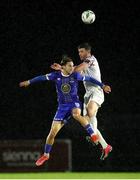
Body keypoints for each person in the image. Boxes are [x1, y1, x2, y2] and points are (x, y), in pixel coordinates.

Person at [19, 56, 111, 166]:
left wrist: (103, 85)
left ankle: (93, 135)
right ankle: (46, 155)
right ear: (63, 67)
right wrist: (29, 81)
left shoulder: (75, 75)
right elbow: (42, 77)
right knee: (52, 133)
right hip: (62, 107)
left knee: (76, 114)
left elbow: (90, 79)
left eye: (73, 66)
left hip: (74, 103)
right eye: (70, 66)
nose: (73, 68)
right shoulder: (56, 75)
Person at [51, 43, 112, 160]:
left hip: (96, 91)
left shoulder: (90, 60)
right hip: (87, 94)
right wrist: (62, 69)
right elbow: (72, 73)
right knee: (87, 122)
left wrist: (62, 67)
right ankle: (105, 146)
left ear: (88, 52)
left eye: (82, 51)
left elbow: (77, 69)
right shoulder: (81, 64)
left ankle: (93, 136)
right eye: (79, 52)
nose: (80, 54)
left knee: (90, 111)